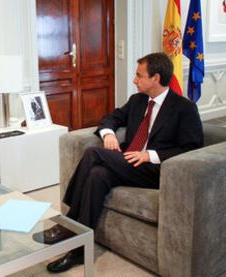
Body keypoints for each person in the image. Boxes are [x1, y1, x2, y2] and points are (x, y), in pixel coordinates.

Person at [33, 52, 204, 273]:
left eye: (139, 75)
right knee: (97, 175)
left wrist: (150, 155)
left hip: (156, 169)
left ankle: (68, 223)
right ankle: (78, 252)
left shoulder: (184, 108)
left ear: (156, 78)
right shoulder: (138, 100)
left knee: (94, 155)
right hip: (129, 162)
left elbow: (191, 148)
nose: (134, 80)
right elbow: (111, 118)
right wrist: (108, 134)